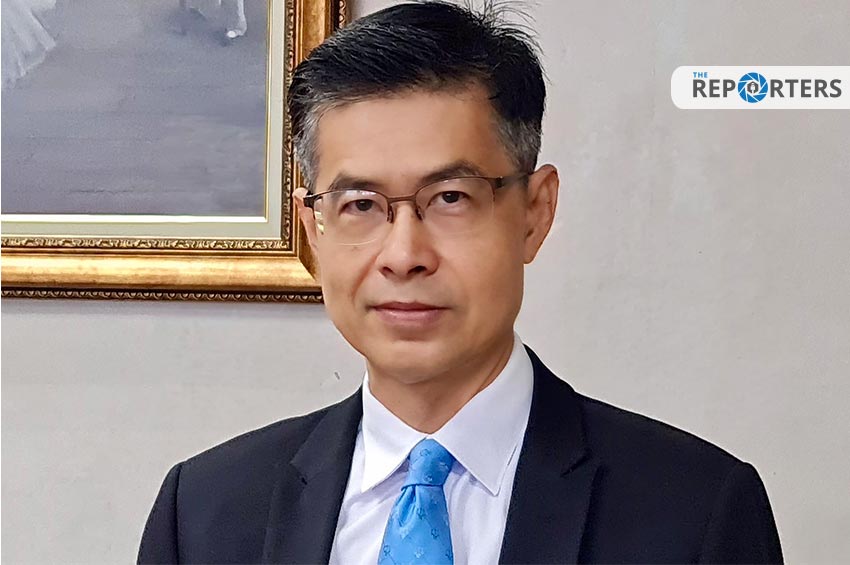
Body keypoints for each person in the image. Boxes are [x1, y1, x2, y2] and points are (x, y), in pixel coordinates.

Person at [138, 2, 783, 563]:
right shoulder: (205, 512)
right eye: (360, 204)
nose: (403, 256)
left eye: (450, 197)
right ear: (314, 228)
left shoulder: (695, 511)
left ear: (535, 212)